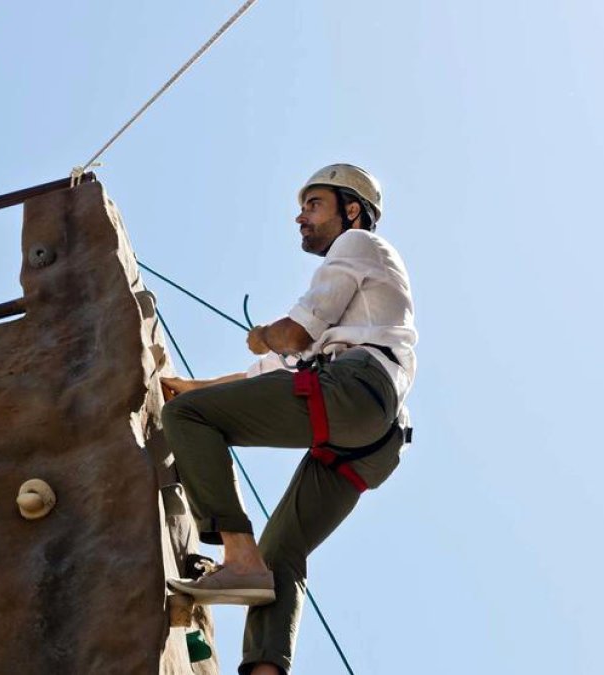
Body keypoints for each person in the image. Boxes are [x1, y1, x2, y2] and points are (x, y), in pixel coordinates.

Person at [162, 164, 417, 675]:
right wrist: (192, 386)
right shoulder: (354, 314)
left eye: (314, 204)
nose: (300, 216)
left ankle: (236, 554)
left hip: (356, 389)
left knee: (185, 419)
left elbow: (293, 337)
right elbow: (263, 375)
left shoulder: (359, 245)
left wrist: (263, 333)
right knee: (280, 555)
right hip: (375, 436)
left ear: (352, 210)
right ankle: (265, 669)